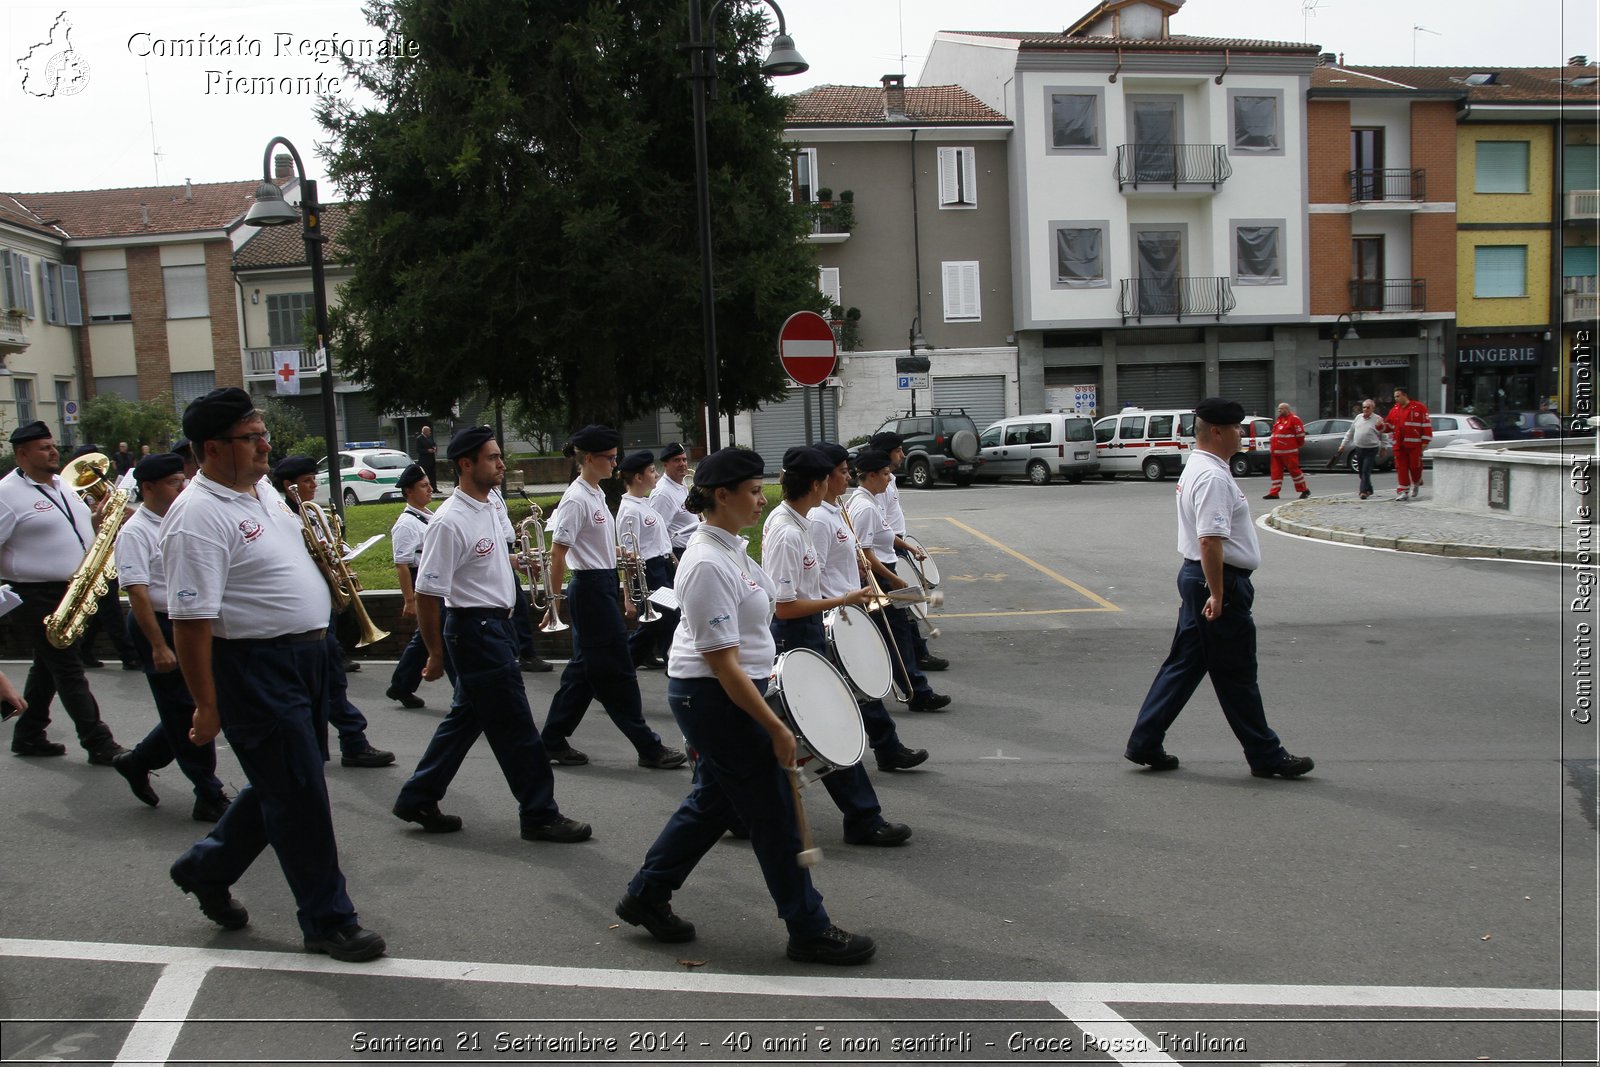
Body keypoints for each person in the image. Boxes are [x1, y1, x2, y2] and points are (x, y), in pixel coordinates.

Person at [615, 447, 877, 965]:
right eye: (754, 491)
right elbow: (723, 665)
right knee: (774, 814)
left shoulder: (731, 547)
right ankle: (808, 928)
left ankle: (646, 894)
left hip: (732, 692)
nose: (763, 499)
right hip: (718, 698)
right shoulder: (707, 562)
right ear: (722, 496)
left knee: (714, 803)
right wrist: (775, 727)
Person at [163, 387, 385, 962]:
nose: (266, 446)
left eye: (264, 434)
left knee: (286, 784)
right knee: (302, 795)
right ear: (212, 448)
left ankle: (205, 867)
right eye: (252, 438)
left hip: (305, 658)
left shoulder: (260, 488)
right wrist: (206, 705)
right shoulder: (196, 517)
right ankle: (327, 920)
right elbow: (190, 624)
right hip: (255, 666)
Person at [391, 425, 591, 844]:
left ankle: (418, 796)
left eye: (500, 456)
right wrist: (435, 653)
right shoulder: (449, 521)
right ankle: (539, 813)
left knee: (466, 719)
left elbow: (481, 561)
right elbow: (428, 594)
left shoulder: (486, 505)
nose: (502, 463)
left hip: (494, 626)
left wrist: (518, 561)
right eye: (492, 457)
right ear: (466, 464)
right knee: (516, 727)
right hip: (476, 630)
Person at [1123, 396, 1314, 780]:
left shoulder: (1201, 465)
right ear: (1217, 432)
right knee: (1237, 673)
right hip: (1216, 579)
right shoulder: (1212, 476)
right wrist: (1219, 594)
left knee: (1185, 664)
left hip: (1200, 578)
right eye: (1236, 428)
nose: (1241, 433)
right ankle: (1266, 754)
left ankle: (1144, 741)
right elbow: (1210, 539)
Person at [764, 445, 913, 846]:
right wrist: (843, 600)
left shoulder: (803, 521)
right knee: (827, 728)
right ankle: (863, 817)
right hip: (796, 636)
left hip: (811, 629)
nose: (847, 478)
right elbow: (783, 606)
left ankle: (736, 808)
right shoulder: (788, 531)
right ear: (817, 483)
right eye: (842, 473)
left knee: (812, 728)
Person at [540, 425, 686, 770]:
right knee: (617, 670)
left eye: (615, 457)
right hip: (590, 589)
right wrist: (553, 601)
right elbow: (558, 554)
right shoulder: (576, 498)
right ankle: (648, 746)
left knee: (584, 671)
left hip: (601, 583)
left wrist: (619, 553)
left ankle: (552, 738)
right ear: (588, 458)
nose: (614, 463)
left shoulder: (594, 494)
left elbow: (592, 544)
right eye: (608, 458)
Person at [108, 452, 232, 821]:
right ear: (147, 488)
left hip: (189, 621)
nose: (182, 487)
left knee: (197, 705)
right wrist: (158, 645)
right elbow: (137, 593)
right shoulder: (135, 531)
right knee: (183, 710)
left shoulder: (182, 520)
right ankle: (208, 793)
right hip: (158, 625)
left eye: (182, 480)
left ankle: (139, 760)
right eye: (173, 482)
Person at [0, 421, 125, 763]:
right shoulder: (6, 494)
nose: (54, 451)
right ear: (22, 454)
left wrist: (100, 524)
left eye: (53, 445)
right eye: (44, 447)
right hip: (33, 594)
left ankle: (28, 735)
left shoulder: (64, 486)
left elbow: (73, 528)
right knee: (68, 668)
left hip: (74, 587)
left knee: (48, 665)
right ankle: (99, 742)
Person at [808, 442, 929, 773]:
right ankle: (872, 750)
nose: (849, 478)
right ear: (825, 476)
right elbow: (814, 574)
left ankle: (886, 748)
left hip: (852, 608)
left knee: (860, 689)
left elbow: (848, 554)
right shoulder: (819, 517)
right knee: (854, 689)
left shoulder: (837, 509)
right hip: (837, 613)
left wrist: (859, 567)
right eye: (844, 472)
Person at [269, 456, 395, 769]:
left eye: (314, 479)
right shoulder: (285, 516)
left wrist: (344, 568)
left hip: (325, 602)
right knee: (329, 682)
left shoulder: (316, 514)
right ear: (289, 485)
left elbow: (333, 548)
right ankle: (351, 740)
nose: (314, 485)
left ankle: (327, 745)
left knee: (328, 681)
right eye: (308, 480)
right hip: (305, 611)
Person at [847, 451, 951, 712]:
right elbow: (866, 553)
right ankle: (917, 692)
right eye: (884, 474)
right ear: (870, 476)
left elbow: (885, 535)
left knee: (894, 635)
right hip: (881, 577)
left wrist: (909, 548)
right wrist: (895, 580)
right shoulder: (864, 507)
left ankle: (913, 689)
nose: (889, 477)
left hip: (885, 574)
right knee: (896, 637)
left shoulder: (871, 501)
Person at [867, 431, 947, 672]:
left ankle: (915, 652)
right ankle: (915, 655)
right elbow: (878, 525)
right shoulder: (877, 487)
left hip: (896, 545)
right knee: (905, 605)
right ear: (886, 454)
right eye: (898, 450)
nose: (902, 454)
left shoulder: (888, 480)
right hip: (888, 549)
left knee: (906, 604)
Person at [617, 450, 678, 670]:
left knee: (662, 622)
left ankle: (623, 670)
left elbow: (659, 541)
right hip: (649, 571)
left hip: (662, 567)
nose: (657, 475)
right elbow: (627, 554)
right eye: (652, 471)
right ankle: (620, 671)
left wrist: (672, 561)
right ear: (638, 478)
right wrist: (628, 596)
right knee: (663, 621)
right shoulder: (630, 510)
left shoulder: (643, 504)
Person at [385, 463, 433, 709]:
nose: (430, 489)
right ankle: (465, 693)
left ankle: (401, 686)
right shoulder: (406, 523)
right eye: (424, 486)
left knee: (427, 637)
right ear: (409, 491)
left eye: (428, 485)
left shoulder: (425, 515)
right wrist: (409, 600)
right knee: (434, 634)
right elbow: (402, 564)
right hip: (420, 580)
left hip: (433, 579)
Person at [648, 442, 697, 561]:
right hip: (679, 553)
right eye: (677, 460)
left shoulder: (681, 483)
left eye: (684, 460)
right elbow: (657, 534)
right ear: (665, 464)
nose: (682, 464)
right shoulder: (663, 493)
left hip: (691, 549)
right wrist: (675, 562)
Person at [1334, 399, 1391, 500]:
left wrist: (1383, 447)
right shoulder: (1358, 418)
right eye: (1364, 407)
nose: (1365, 409)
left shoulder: (1378, 419)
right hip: (1359, 448)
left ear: (1373, 408)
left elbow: (1384, 435)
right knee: (1361, 472)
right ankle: (1369, 488)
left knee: (1365, 470)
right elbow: (1350, 432)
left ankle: (1363, 491)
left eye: (1368, 407)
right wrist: (1343, 445)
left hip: (1371, 449)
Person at [1386, 387, 1433, 501]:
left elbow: (1426, 424)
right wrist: (1380, 426)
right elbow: (1389, 426)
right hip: (1399, 445)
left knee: (1415, 467)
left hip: (1414, 445)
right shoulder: (1394, 410)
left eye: (1398, 396)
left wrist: (1425, 441)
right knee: (1401, 468)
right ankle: (1403, 491)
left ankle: (1416, 482)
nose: (1396, 399)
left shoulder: (1419, 407)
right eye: (1395, 397)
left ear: (1405, 395)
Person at [1262, 402, 1310, 501]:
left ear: (1287, 409)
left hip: (1289, 452)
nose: (1279, 411)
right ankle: (1274, 492)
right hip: (1276, 452)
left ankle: (1304, 490)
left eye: (1281, 409)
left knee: (1294, 471)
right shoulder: (1279, 420)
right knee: (1276, 473)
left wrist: (1294, 446)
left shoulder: (1294, 419)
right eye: (1279, 409)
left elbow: (1300, 436)